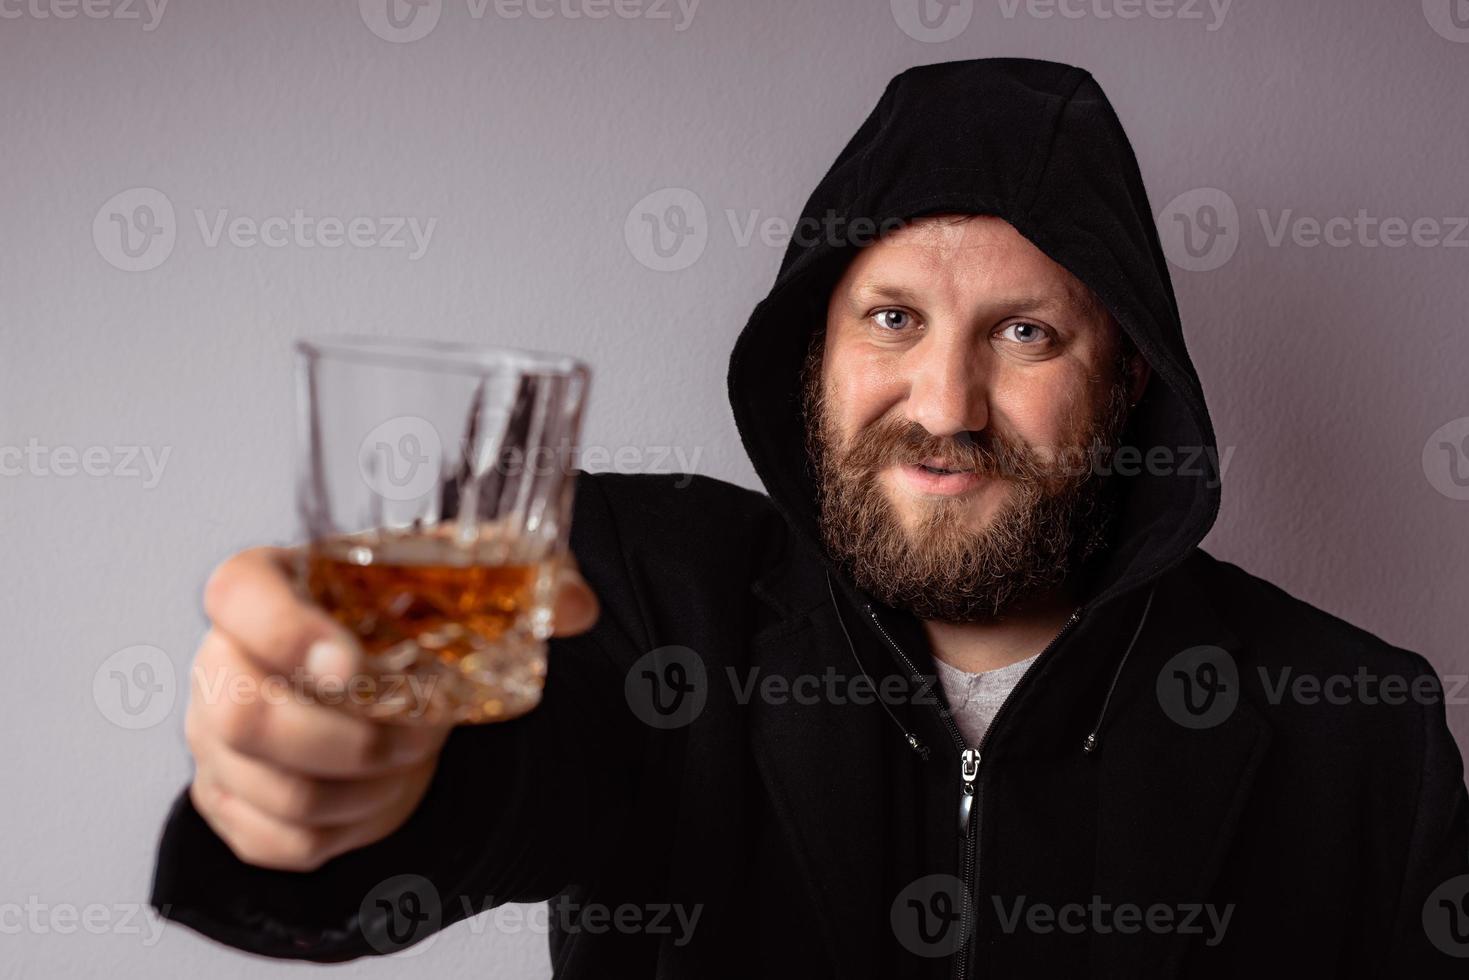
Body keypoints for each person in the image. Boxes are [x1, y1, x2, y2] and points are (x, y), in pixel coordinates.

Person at [149, 58, 1469, 977]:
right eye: (891, 317)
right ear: (812, 355)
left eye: (1023, 332)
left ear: (1122, 377)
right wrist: (335, 779)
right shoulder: (636, 585)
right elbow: (467, 786)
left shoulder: (1354, 722)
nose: (945, 403)